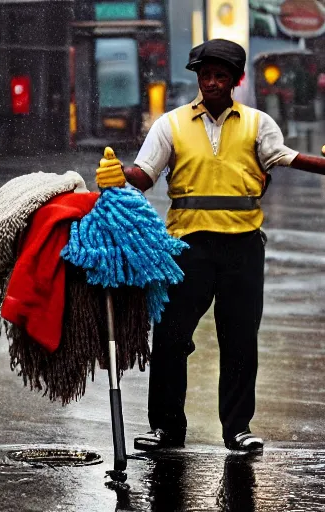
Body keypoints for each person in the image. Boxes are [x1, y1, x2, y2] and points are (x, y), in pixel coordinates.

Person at [126, 38, 325, 452]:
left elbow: (285, 157)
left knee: (239, 339)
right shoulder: (172, 124)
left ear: (235, 80)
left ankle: (237, 429)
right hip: (186, 248)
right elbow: (144, 176)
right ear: (197, 78)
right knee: (170, 337)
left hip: (243, 248)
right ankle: (165, 428)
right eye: (204, 76)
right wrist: (118, 173)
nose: (211, 83)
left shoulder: (257, 123)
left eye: (220, 76)